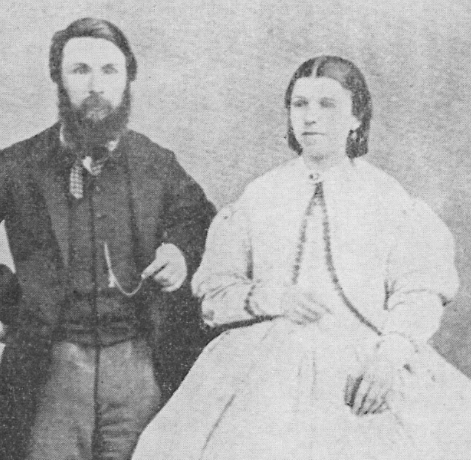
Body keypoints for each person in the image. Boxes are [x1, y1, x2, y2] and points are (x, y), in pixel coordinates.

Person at [132, 55, 471, 460]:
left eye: (327, 104)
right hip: (263, 370)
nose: (310, 117)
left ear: (356, 117)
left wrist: (389, 358)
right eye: (300, 104)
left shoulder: (386, 199)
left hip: (365, 366)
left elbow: (420, 291)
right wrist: (270, 297)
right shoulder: (261, 195)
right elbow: (214, 295)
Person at [0, 17, 215, 460]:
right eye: (80, 70)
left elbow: (201, 221)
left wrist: (180, 252)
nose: (96, 85)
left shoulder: (156, 162)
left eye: (109, 70)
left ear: (128, 78)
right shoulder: (18, 165)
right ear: (58, 78)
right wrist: (17, 301)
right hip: (52, 367)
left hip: (139, 365)